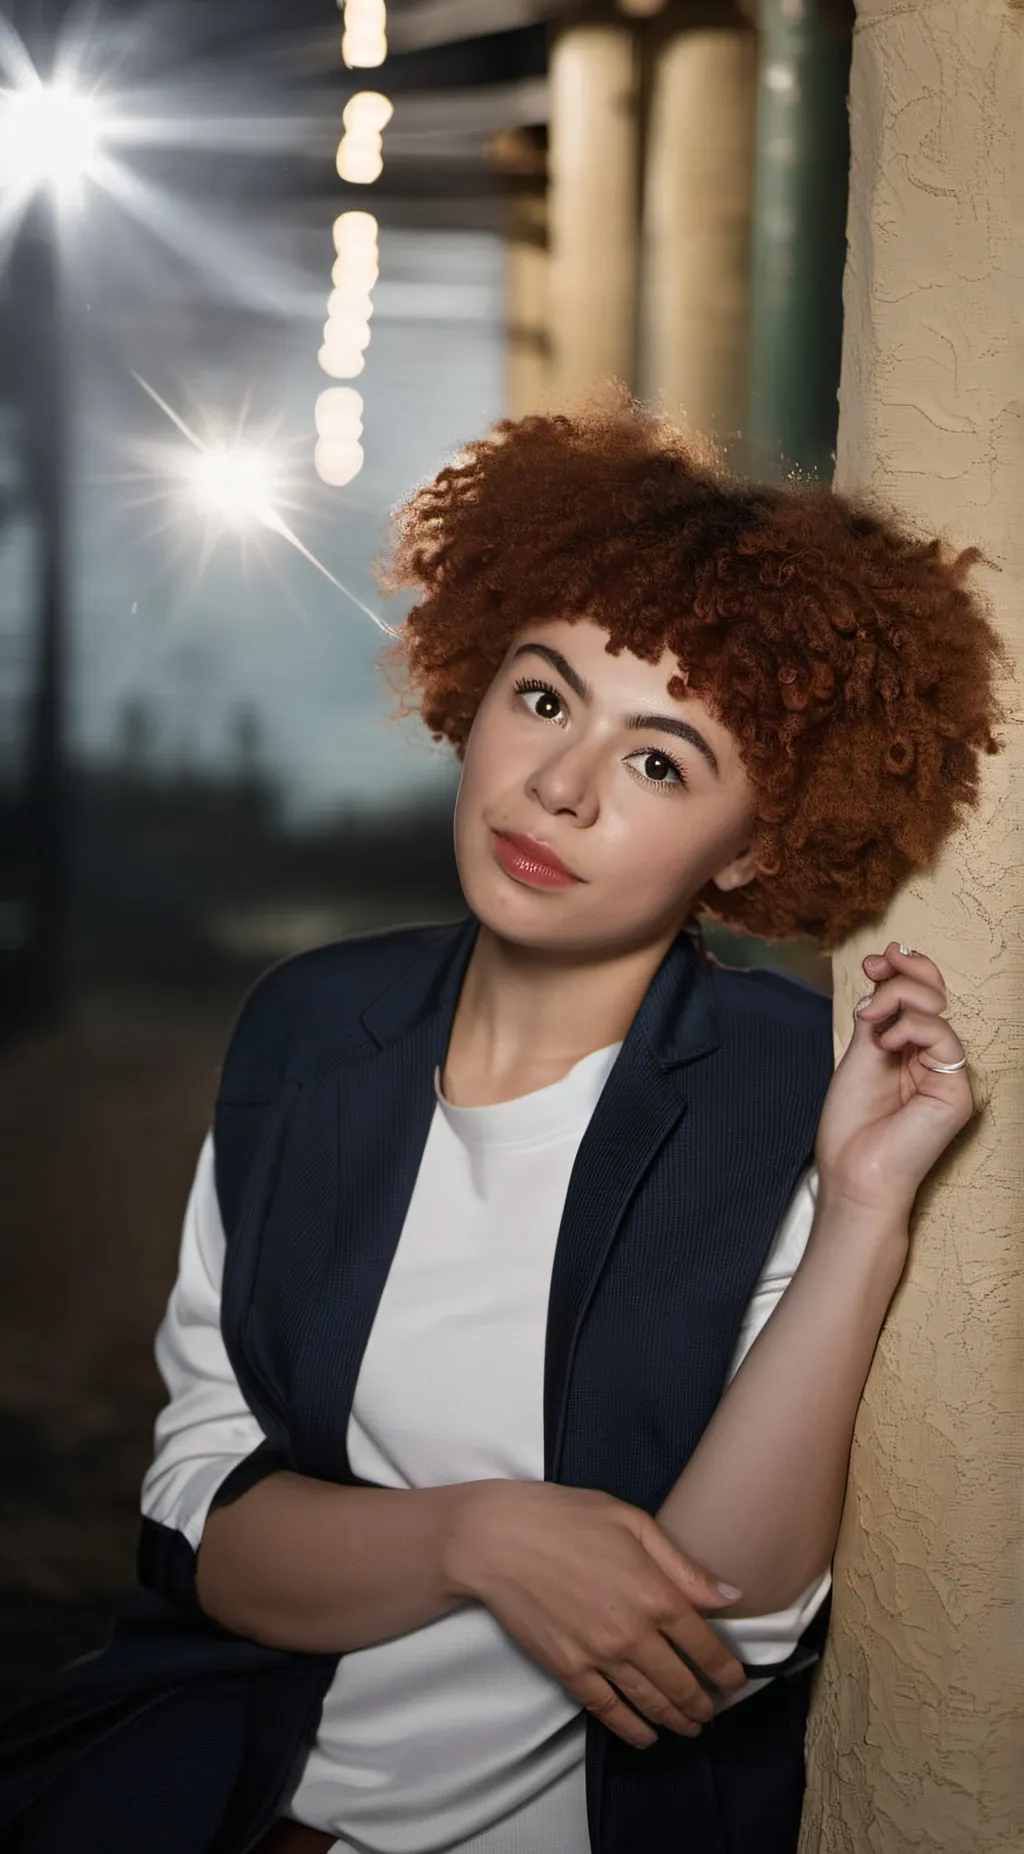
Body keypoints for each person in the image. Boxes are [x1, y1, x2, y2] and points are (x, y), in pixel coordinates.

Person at [0, 399, 1006, 1854]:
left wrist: (860, 1212)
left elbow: (721, 1640)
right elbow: (201, 1508)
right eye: (544, 699)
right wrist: (481, 1536)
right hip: (224, 1794)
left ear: (753, 846)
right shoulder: (308, 1025)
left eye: (660, 762)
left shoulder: (786, 1092)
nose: (560, 788)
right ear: (475, 691)